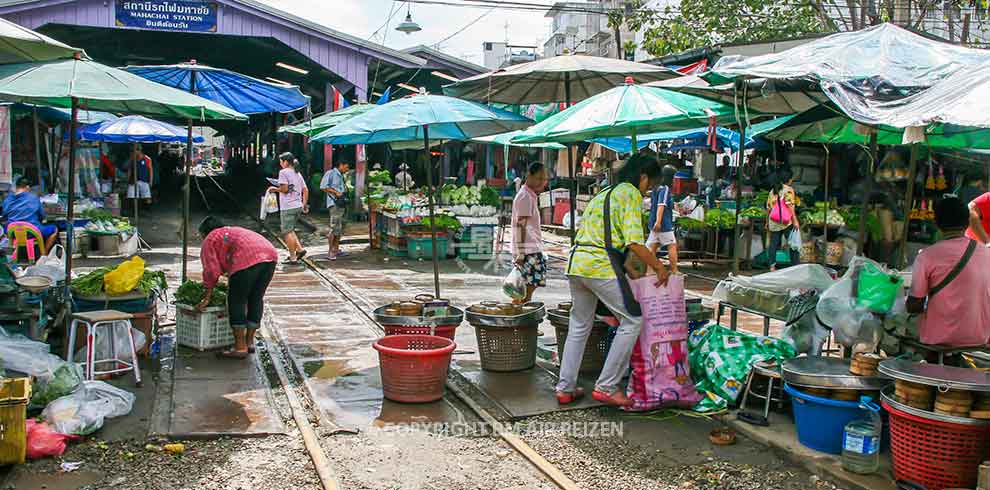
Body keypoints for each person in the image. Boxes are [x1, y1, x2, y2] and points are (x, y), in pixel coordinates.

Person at [556, 154, 669, 407]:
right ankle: (607, 385)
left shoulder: (603, 193)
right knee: (633, 319)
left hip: (577, 263)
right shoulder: (630, 194)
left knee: (579, 325)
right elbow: (634, 242)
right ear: (642, 177)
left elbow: (611, 237)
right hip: (600, 266)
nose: (647, 191)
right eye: (648, 185)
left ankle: (565, 388)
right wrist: (659, 267)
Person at [906, 197, 990, 347]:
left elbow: (914, 305)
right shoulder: (986, 253)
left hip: (940, 337)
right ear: (966, 224)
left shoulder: (927, 256)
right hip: (979, 336)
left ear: (936, 223)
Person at [196, 216, 279, 359]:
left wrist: (207, 297)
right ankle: (249, 342)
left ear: (204, 232)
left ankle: (240, 347)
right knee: (255, 298)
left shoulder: (210, 238)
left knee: (236, 300)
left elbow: (211, 271)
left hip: (248, 258)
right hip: (270, 255)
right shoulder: (232, 231)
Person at [511, 162, 549, 304]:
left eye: (544, 179)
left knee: (524, 292)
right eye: (539, 178)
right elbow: (520, 226)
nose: (542, 182)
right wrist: (521, 253)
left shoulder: (529, 195)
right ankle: (516, 319)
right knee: (522, 293)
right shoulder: (525, 197)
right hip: (528, 252)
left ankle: (518, 318)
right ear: (529, 176)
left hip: (531, 250)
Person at [267, 152, 308, 263]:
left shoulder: (283, 172)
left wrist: (274, 189)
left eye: (281, 161)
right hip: (298, 206)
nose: (280, 164)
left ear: (285, 162)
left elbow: (284, 189)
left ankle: (293, 257)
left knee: (286, 232)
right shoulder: (297, 173)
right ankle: (300, 250)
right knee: (290, 230)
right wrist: (304, 204)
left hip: (288, 207)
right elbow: (305, 190)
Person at [2, 178, 57, 251]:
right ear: (27, 187)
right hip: (32, 232)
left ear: (16, 187)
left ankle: (14, 253)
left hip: (13, 233)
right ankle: (44, 254)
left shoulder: (8, 200)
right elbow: (42, 215)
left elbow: (4, 216)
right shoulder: (33, 198)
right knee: (54, 229)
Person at [766, 168, 800, 271]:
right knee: (793, 243)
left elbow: (768, 208)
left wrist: (767, 222)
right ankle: (795, 266)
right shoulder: (788, 190)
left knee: (773, 244)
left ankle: (772, 266)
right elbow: (790, 206)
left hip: (774, 221)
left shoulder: (773, 190)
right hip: (786, 221)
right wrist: (795, 220)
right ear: (789, 179)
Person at [648, 165, 679, 274]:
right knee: (672, 245)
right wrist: (658, 221)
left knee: (652, 247)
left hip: (653, 222)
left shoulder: (656, 187)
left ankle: (649, 270)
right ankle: (674, 270)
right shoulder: (665, 189)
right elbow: (661, 205)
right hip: (663, 224)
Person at [320, 160, 350, 260]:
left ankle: (336, 249)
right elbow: (323, 187)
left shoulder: (341, 175)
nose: (347, 169)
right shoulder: (330, 173)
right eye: (346, 167)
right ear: (340, 164)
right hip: (334, 204)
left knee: (340, 228)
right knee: (334, 228)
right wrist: (336, 192)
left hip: (341, 204)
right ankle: (330, 252)